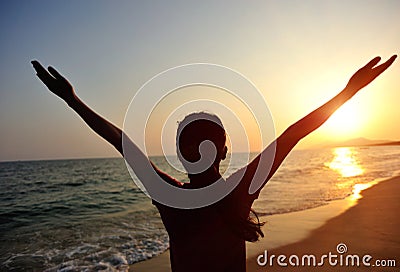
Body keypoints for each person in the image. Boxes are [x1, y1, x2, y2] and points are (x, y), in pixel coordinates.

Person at [31, 55, 396, 272]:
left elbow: (121, 143)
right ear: (223, 151)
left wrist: (74, 102)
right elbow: (293, 134)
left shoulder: (171, 196)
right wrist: (349, 93)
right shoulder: (239, 191)